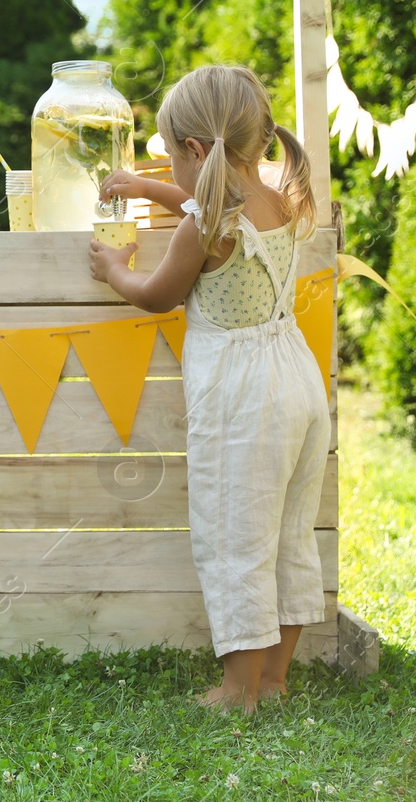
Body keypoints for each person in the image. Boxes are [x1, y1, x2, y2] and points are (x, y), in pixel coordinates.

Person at [89, 65, 330, 714]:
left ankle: (237, 691)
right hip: (297, 380)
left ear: (197, 151)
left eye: (169, 158)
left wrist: (116, 268)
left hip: (242, 396)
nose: (169, 172)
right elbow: (204, 201)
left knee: (236, 539)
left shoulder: (206, 225)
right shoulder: (277, 193)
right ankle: (275, 679)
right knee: (287, 534)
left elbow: (158, 293)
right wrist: (146, 185)